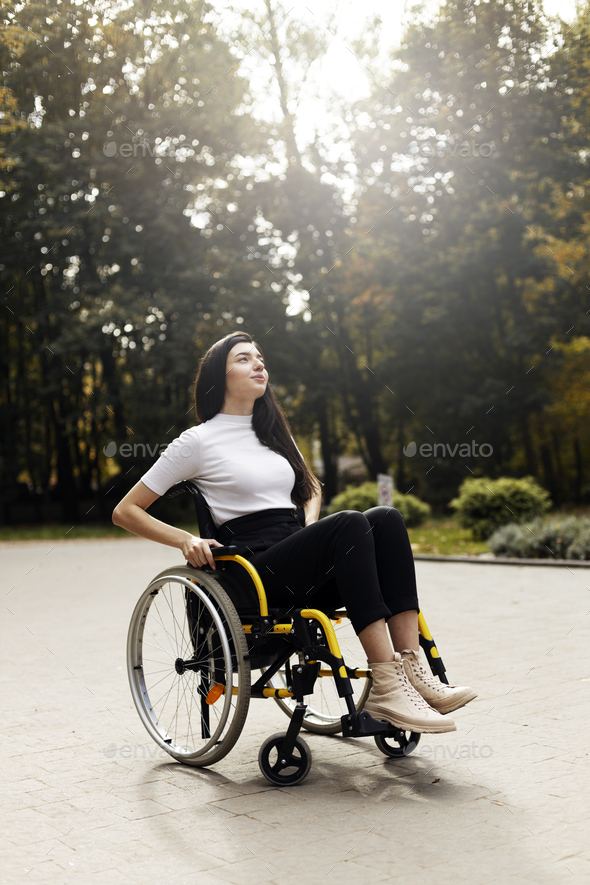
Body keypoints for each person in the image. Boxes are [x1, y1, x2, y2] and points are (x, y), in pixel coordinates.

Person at [113, 331, 477, 735]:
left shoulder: (274, 434)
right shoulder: (197, 441)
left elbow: (312, 487)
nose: (258, 364)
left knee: (386, 518)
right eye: (244, 359)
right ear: (220, 377)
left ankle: (412, 669)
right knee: (351, 523)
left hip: (294, 549)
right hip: (253, 569)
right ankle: (387, 686)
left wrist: (308, 526)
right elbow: (125, 510)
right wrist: (185, 539)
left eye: (260, 357)